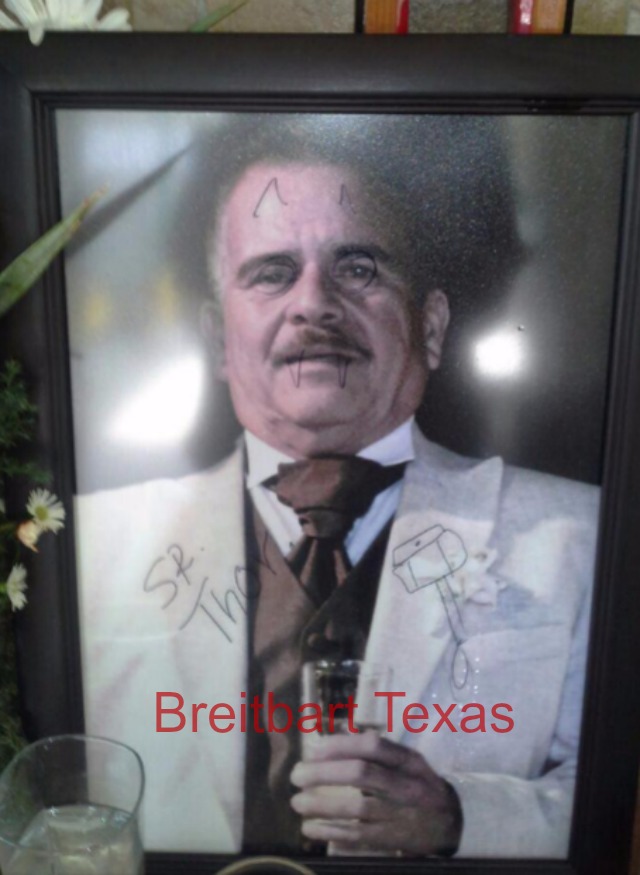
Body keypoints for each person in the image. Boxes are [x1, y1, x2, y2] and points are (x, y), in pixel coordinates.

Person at [75, 116, 599, 859]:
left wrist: (462, 817)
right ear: (219, 336)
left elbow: (614, 797)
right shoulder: (90, 543)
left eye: (357, 268)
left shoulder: (583, 534)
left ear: (431, 327)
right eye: (272, 272)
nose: (313, 304)